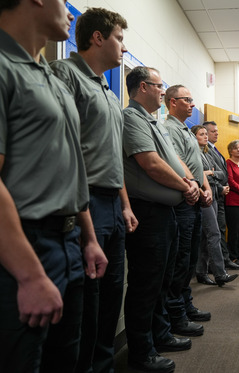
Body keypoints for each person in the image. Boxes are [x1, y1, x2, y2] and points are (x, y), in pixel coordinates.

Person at [0, 1, 106, 371]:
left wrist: (88, 236)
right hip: (22, 247)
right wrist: (28, 274)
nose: (69, 11)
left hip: (69, 241)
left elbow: (69, 165)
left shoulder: (49, 75)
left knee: (68, 358)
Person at [49, 8, 136, 372]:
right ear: (97, 37)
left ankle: (105, 366)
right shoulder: (65, 75)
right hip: (85, 205)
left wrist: (126, 205)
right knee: (86, 303)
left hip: (112, 205)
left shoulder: (108, 90)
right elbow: (65, 152)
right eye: (118, 38)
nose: (122, 47)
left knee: (111, 296)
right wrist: (86, 225)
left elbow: (112, 157)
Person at [122, 66, 199, 372]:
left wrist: (190, 183)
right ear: (143, 87)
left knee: (162, 280)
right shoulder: (131, 118)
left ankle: (160, 335)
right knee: (146, 283)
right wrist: (185, 186)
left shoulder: (153, 122)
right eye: (158, 86)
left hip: (165, 212)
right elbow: (151, 164)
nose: (162, 91)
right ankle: (141, 353)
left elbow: (173, 160)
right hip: (147, 213)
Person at [163, 84, 212, 337]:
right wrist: (195, 185)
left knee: (190, 257)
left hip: (194, 197)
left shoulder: (186, 130)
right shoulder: (168, 128)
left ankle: (185, 304)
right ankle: (176, 315)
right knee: (181, 260)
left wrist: (205, 186)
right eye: (187, 99)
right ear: (172, 102)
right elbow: (177, 161)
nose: (192, 104)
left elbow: (197, 164)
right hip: (183, 201)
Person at [192, 125, 239, 287]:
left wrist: (210, 173)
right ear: (194, 137)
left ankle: (201, 272)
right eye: (201, 134)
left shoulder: (207, 153)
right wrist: (210, 174)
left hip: (214, 192)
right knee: (213, 233)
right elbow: (196, 175)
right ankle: (220, 273)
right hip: (204, 195)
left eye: (206, 134)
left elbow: (221, 174)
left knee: (206, 237)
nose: (205, 137)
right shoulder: (194, 153)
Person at [204, 121, 239, 271]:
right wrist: (220, 186)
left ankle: (223, 260)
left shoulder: (214, 150)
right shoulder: (206, 151)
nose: (217, 133)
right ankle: (220, 262)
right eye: (213, 131)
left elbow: (220, 173)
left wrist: (217, 176)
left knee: (220, 230)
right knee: (215, 231)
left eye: (217, 131)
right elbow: (208, 174)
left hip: (220, 195)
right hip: (214, 194)